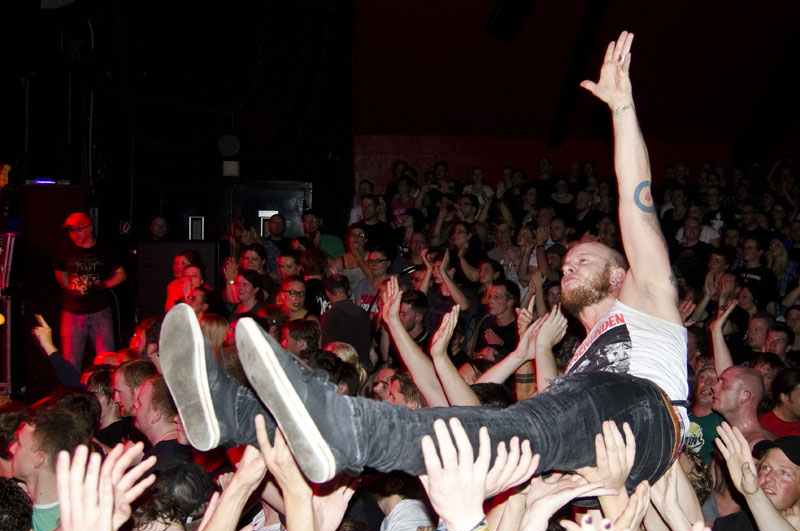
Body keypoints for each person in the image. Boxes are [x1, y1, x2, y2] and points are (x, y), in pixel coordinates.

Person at [160, 32, 688, 491]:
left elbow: (634, 198)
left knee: (507, 433)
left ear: (620, 274)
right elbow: (554, 416)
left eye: (585, 259)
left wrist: (621, 107)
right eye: (567, 261)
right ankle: (237, 416)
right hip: (600, 432)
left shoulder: (647, 299)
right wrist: (539, 352)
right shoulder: (582, 353)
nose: (567, 267)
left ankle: (342, 429)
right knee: (470, 437)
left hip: (647, 411)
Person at [54, 212, 126, 370]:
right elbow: (60, 271)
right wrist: (70, 288)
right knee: (70, 361)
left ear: (90, 227)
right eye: (72, 230)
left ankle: (107, 392)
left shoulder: (103, 249)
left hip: (99, 310)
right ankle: (72, 393)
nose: (75, 234)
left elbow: (121, 274)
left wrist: (104, 285)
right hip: (72, 312)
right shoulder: (65, 248)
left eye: (79, 229)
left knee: (106, 358)